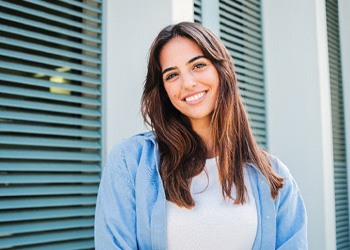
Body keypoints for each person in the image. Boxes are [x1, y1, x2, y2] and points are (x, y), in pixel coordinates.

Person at [94, 22, 308, 249]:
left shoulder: (274, 176)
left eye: (198, 65)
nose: (188, 83)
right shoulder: (130, 162)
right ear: (164, 90)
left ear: (221, 70)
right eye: (172, 75)